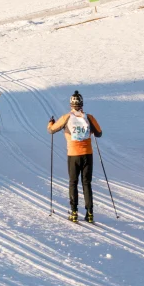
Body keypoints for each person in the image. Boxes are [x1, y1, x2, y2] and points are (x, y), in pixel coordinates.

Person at [47, 91, 102, 223]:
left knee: (73, 182)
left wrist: (50, 123)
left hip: (73, 155)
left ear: (71, 104)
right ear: (82, 104)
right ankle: (90, 213)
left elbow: (51, 130)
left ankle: (74, 213)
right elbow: (99, 133)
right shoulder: (89, 117)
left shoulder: (66, 117)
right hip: (87, 154)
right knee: (87, 183)